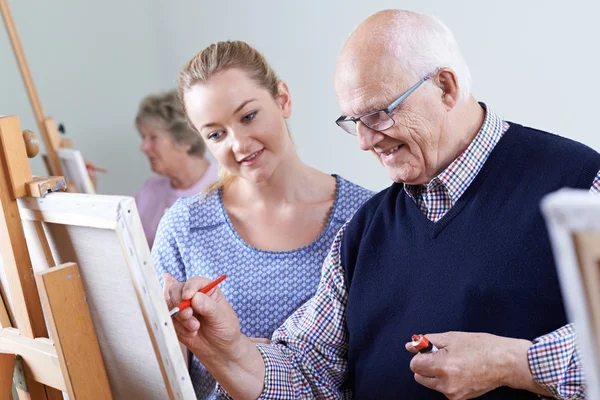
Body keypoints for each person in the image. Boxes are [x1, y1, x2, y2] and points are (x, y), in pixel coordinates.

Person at [163, 9, 600, 400]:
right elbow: (305, 373)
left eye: (378, 114)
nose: (366, 142)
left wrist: (513, 363)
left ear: (445, 88)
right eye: (354, 122)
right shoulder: (364, 228)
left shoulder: (581, 184)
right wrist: (226, 348)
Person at [152, 41, 373, 399]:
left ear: (283, 99)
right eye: (216, 134)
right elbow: (161, 376)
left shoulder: (365, 219)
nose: (239, 144)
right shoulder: (185, 226)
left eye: (248, 116)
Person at [134, 90, 218, 247]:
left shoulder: (226, 185)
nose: (144, 147)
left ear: (184, 139)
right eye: (143, 138)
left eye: (153, 138)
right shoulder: (149, 190)